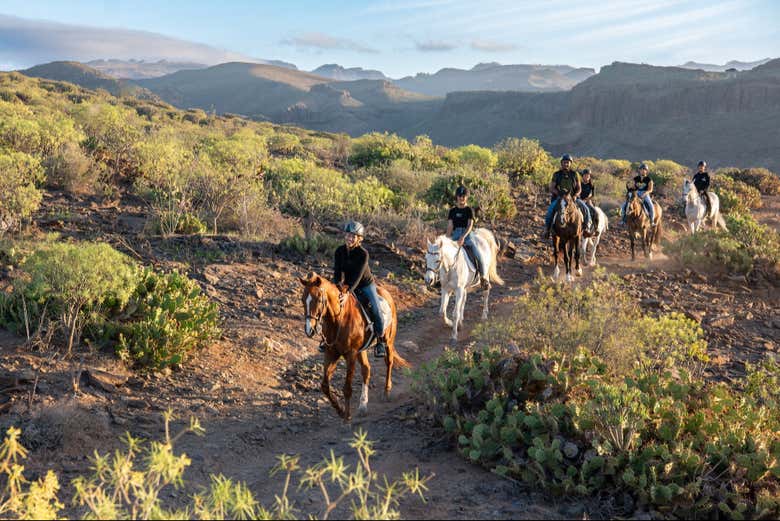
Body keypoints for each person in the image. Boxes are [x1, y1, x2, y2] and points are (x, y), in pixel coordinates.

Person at [331, 221, 387, 358]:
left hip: (365, 285)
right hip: (348, 284)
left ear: (359, 239)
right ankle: (327, 339)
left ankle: (380, 341)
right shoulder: (339, 251)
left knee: (376, 309)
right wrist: (338, 288)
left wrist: (348, 292)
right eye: (348, 235)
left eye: (353, 236)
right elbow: (337, 273)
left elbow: (357, 276)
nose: (350, 238)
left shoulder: (363, 254)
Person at [447, 186, 487, 288]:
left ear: (467, 197)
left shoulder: (469, 210)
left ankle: (483, 278)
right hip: (455, 235)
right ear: (457, 197)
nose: (461, 198)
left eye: (464, 196)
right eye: (460, 196)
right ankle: (441, 279)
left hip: (467, 236)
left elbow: (470, 225)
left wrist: (463, 237)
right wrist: (447, 239)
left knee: (478, 254)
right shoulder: (452, 211)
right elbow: (450, 226)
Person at [543, 154, 590, 238]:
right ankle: (547, 229)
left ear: (570, 163)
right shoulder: (557, 174)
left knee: (585, 209)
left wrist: (575, 195)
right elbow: (552, 187)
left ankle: (586, 228)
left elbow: (579, 188)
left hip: (572, 197)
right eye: (564, 162)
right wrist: (559, 194)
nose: (566, 164)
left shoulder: (575, 174)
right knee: (550, 211)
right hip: (559, 198)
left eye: (568, 162)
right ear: (561, 163)